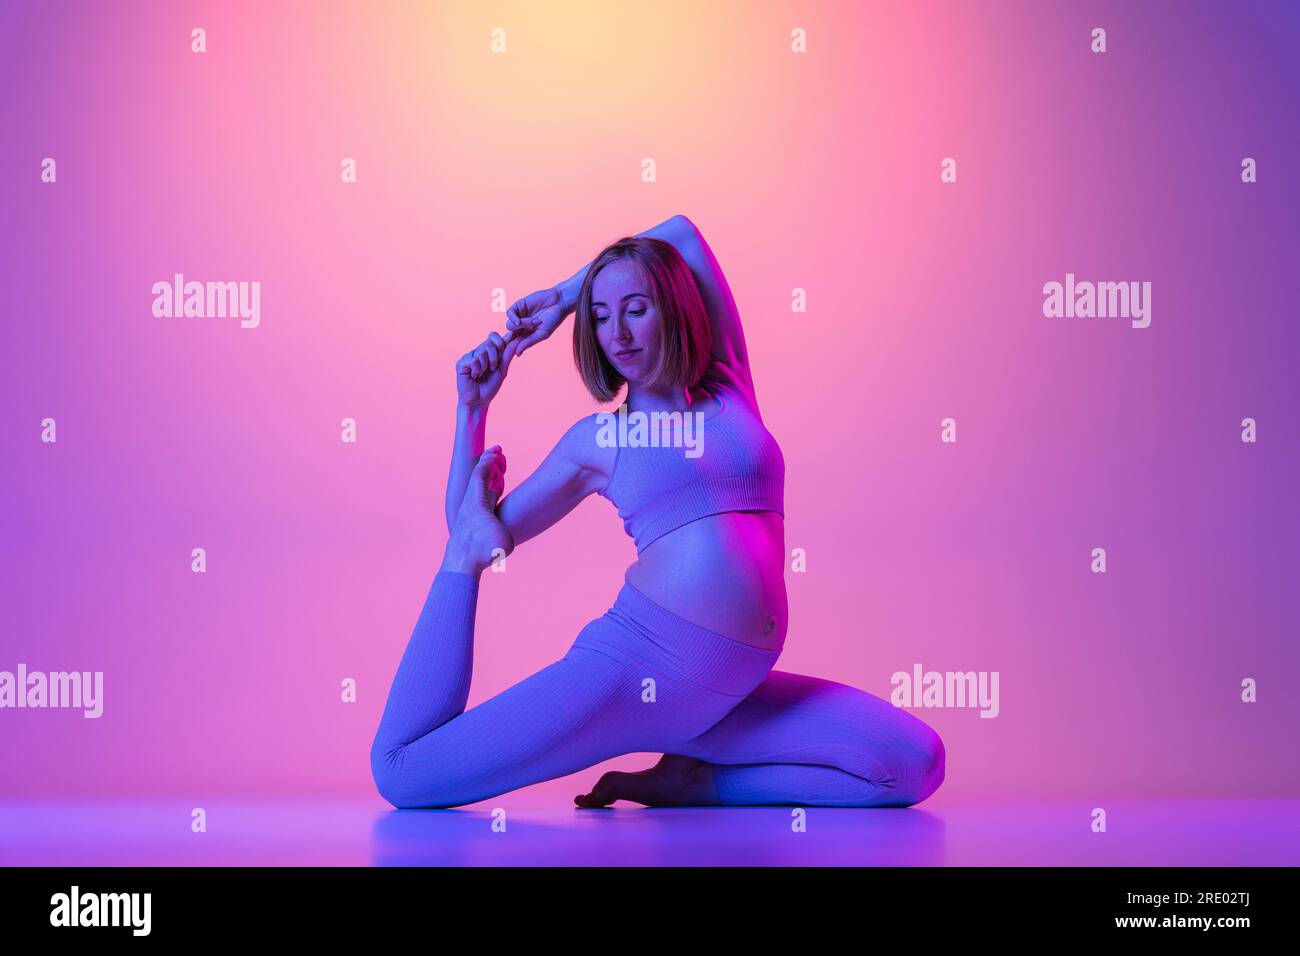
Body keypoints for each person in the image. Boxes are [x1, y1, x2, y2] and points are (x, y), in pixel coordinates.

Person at [370, 214, 945, 809]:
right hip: (631, 675)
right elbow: (471, 532)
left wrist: (568, 296)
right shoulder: (598, 440)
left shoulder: (729, 384)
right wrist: (472, 411)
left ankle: (696, 782)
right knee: (404, 774)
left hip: (727, 692)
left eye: (635, 308)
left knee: (912, 764)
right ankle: (674, 759)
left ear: (673, 307)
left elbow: (684, 234)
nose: (616, 332)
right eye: (599, 316)